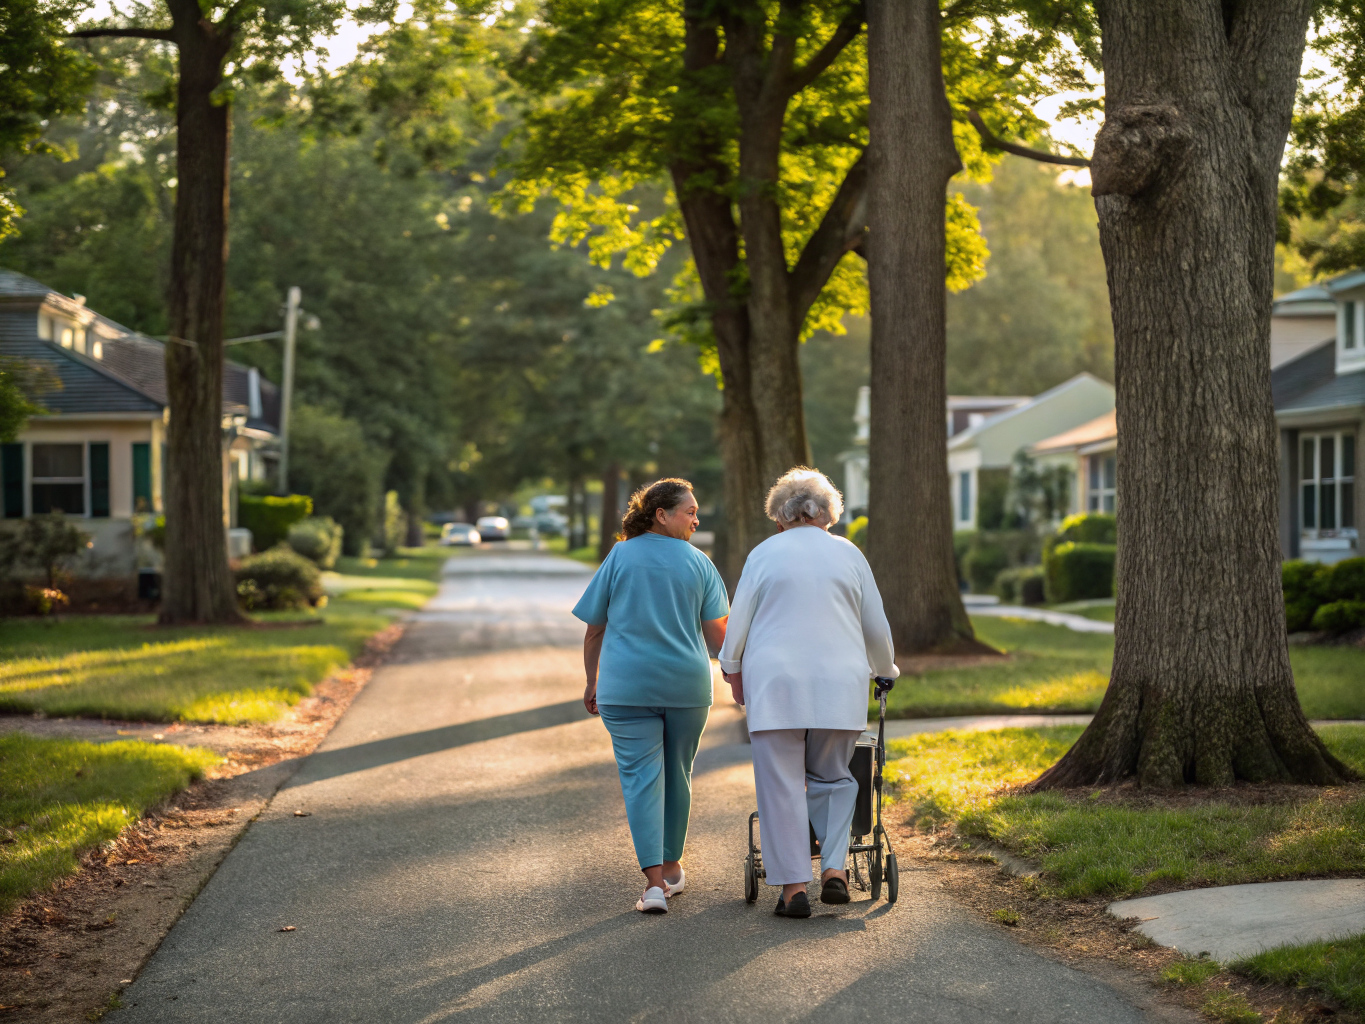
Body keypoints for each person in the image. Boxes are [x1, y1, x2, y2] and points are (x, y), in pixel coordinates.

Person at [719, 467, 899, 918]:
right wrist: (885, 669)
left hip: (775, 685)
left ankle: (794, 890)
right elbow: (874, 624)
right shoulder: (850, 554)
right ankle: (835, 871)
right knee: (835, 777)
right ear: (828, 514)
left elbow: (738, 622)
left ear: (779, 516)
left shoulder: (764, 553)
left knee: (781, 786)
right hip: (840, 684)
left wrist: (731, 667)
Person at [573, 478, 729, 914]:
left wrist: (592, 680)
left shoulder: (620, 556)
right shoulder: (700, 563)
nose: (697, 519)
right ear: (661, 514)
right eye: (690, 511)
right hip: (687, 688)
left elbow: (594, 628)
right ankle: (673, 867)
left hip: (626, 689)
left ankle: (655, 886)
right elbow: (720, 635)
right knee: (677, 775)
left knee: (642, 780)